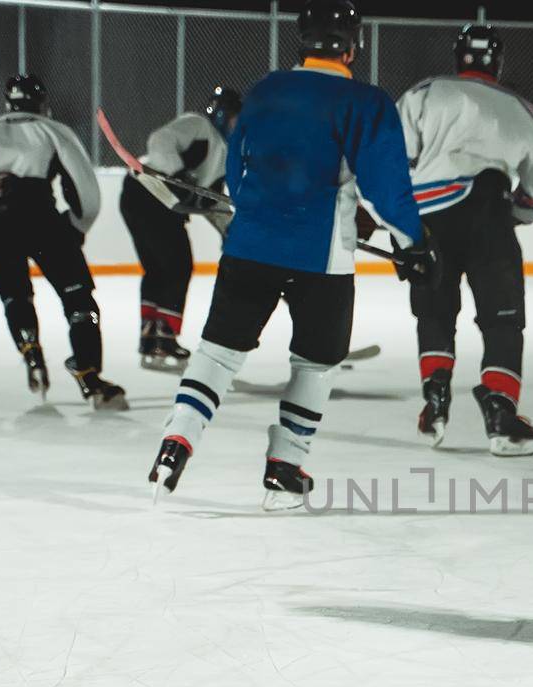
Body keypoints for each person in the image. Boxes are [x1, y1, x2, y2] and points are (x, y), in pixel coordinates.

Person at [146, 0, 434, 509]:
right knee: (317, 364)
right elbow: (388, 189)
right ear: (353, 44)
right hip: (321, 261)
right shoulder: (366, 102)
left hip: (249, 244)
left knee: (217, 352)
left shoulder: (264, 90)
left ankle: (176, 444)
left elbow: (238, 173)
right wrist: (412, 243)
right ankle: (285, 466)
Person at [394, 23, 533, 456]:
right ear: (498, 63)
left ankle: (435, 398)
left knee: (434, 311)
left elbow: (392, 166)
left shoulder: (424, 93)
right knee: (503, 320)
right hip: (491, 216)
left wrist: (399, 229)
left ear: (457, 57)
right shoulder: (524, 109)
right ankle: (501, 414)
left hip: (430, 220)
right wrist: (508, 220)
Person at [0, 75, 126, 409]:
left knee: (14, 295)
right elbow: (82, 186)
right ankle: (89, 373)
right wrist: (77, 226)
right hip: (40, 220)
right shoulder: (53, 131)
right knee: (77, 298)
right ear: (42, 103)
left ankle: (31, 352)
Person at [120, 85, 243, 372]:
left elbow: (211, 201)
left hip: (146, 199)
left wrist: (231, 231)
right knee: (178, 266)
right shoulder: (198, 125)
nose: (240, 125)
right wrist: (178, 177)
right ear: (224, 115)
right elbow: (160, 140)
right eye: (237, 118)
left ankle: (151, 336)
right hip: (148, 194)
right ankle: (164, 335)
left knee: (160, 270)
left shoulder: (224, 154)